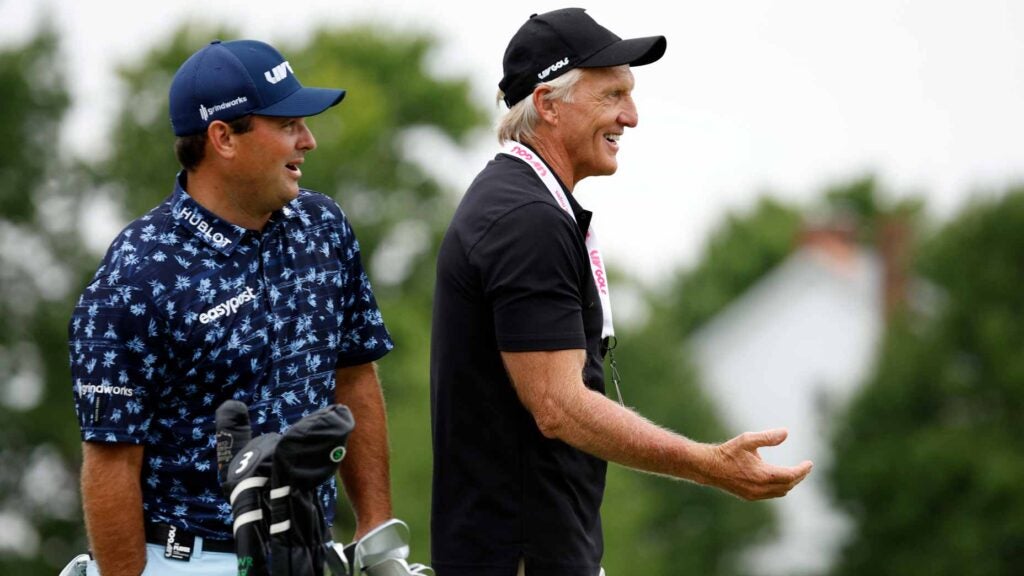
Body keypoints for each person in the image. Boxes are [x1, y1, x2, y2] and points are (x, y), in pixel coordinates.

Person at [429, 8, 814, 576]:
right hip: (520, 556)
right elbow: (560, 408)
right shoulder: (524, 218)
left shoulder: (525, 203)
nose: (631, 117)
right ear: (548, 104)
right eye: (612, 95)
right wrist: (709, 465)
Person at [68, 39, 394, 575]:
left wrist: (377, 531)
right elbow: (111, 462)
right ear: (223, 137)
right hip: (188, 561)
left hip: (309, 556)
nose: (308, 140)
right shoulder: (136, 273)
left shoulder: (323, 228)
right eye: (288, 123)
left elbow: (354, 374)